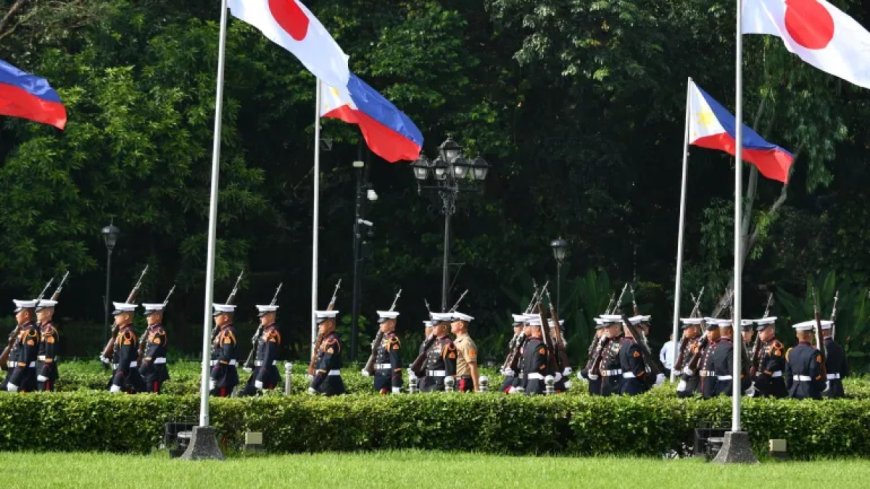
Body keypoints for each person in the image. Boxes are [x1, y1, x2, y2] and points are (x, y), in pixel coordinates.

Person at [241, 304, 282, 396]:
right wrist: (251, 365)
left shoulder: (272, 332)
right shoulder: (265, 331)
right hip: (259, 370)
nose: (260, 318)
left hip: (267, 373)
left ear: (271, 316)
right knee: (245, 395)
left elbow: (268, 357)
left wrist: (261, 376)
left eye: (263, 316)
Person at [108, 302, 145, 394]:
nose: (115, 317)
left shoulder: (127, 334)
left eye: (118, 314)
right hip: (123, 374)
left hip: (127, 377)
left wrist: (117, 383)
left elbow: (125, 359)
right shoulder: (122, 332)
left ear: (126, 317)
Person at [785, 320, 826, 399]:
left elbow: (788, 373)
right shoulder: (814, 352)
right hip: (809, 391)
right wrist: (822, 386)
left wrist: (790, 388)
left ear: (797, 335)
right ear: (810, 335)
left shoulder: (790, 352)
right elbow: (814, 373)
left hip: (794, 390)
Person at [4, 299, 39, 393]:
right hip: (14, 372)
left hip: (23, 376)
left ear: (26, 314)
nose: (16, 315)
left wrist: (15, 380)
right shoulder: (24, 330)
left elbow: (25, 358)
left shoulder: (31, 332)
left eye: (18, 312)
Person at [309, 310, 345, 396]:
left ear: (330, 324)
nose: (319, 326)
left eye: (321, 324)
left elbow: (326, 364)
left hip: (330, 383)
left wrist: (314, 385)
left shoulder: (332, 341)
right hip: (323, 381)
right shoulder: (325, 339)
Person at [749, 316, 786, 398]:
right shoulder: (763, 345)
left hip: (773, 383)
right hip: (763, 381)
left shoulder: (776, 345)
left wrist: (757, 383)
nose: (759, 333)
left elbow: (772, 366)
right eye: (758, 331)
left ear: (771, 330)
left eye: (762, 330)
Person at [419, 313, 456, 392]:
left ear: (444, 327)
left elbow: (450, 370)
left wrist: (448, 386)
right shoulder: (433, 342)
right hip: (427, 381)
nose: (433, 328)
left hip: (438, 383)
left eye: (435, 325)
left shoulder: (448, 345)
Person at [139, 302, 170, 394]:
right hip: (150, 369)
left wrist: (140, 370)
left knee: (152, 395)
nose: (147, 318)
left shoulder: (159, 332)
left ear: (157, 316)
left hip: (155, 370)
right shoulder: (152, 331)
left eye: (149, 315)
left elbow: (151, 354)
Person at [712, 319, 749, 397]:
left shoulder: (716, 346)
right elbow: (735, 372)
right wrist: (748, 385)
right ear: (729, 331)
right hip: (730, 387)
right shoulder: (731, 348)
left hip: (719, 386)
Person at [210, 303, 239, 397]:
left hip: (224, 376)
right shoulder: (222, 331)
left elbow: (225, 357)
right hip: (220, 374)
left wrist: (213, 376)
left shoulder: (228, 332)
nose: (215, 317)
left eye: (218, 315)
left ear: (226, 317)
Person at [370, 310, 402, 394]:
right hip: (379, 376)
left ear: (391, 324)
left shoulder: (392, 340)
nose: (380, 325)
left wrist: (395, 384)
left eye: (383, 322)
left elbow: (396, 363)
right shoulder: (383, 339)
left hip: (387, 378)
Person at [619, 316, 650, 395]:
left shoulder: (624, 343)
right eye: (638, 328)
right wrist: (654, 378)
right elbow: (638, 371)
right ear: (630, 329)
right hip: (634, 385)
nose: (640, 331)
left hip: (626, 383)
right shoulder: (633, 345)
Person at [35, 299, 60, 391]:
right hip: (38, 365)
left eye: (39, 311)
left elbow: (50, 353)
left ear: (48, 312)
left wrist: (45, 372)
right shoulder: (41, 328)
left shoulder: (49, 330)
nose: (37, 313)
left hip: (45, 369)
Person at [675, 317, 703, 398]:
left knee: (689, 396)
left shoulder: (699, 342)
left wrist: (685, 377)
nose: (684, 331)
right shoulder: (688, 341)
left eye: (686, 329)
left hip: (693, 377)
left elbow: (697, 362)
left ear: (694, 329)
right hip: (685, 375)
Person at [452, 312, 480, 392]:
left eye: (453, 322)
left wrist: (476, 387)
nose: (451, 324)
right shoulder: (457, 341)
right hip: (456, 380)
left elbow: (473, 366)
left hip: (463, 381)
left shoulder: (466, 343)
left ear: (461, 325)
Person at [580, 317, 608, 396]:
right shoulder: (599, 343)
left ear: (603, 330)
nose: (597, 332)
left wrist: (584, 372)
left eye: (598, 330)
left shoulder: (605, 344)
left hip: (599, 379)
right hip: (594, 378)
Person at [598, 315, 624, 397]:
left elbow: (613, 360)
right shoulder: (610, 341)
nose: (605, 330)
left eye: (608, 327)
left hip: (615, 380)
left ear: (616, 327)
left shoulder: (621, 341)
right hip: (606, 380)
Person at [521, 316, 548, 395]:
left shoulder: (528, 344)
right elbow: (538, 365)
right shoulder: (540, 345)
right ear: (538, 329)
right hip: (538, 383)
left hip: (528, 383)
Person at [821, 320, 848, 398]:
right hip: (838, 384)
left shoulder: (821, 348)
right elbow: (845, 369)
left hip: (825, 385)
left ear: (822, 332)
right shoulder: (839, 347)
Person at [500, 314, 526, 393]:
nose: (515, 329)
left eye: (517, 326)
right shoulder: (516, 339)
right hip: (513, 372)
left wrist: (514, 368)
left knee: (506, 390)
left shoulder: (524, 340)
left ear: (522, 327)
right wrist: (506, 366)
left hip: (519, 374)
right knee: (502, 390)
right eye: (514, 326)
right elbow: (512, 354)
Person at [698, 318, 721, 399]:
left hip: (713, 382)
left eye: (711, 331)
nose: (708, 334)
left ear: (719, 330)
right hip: (703, 381)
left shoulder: (720, 345)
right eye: (707, 331)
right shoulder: (709, 345)